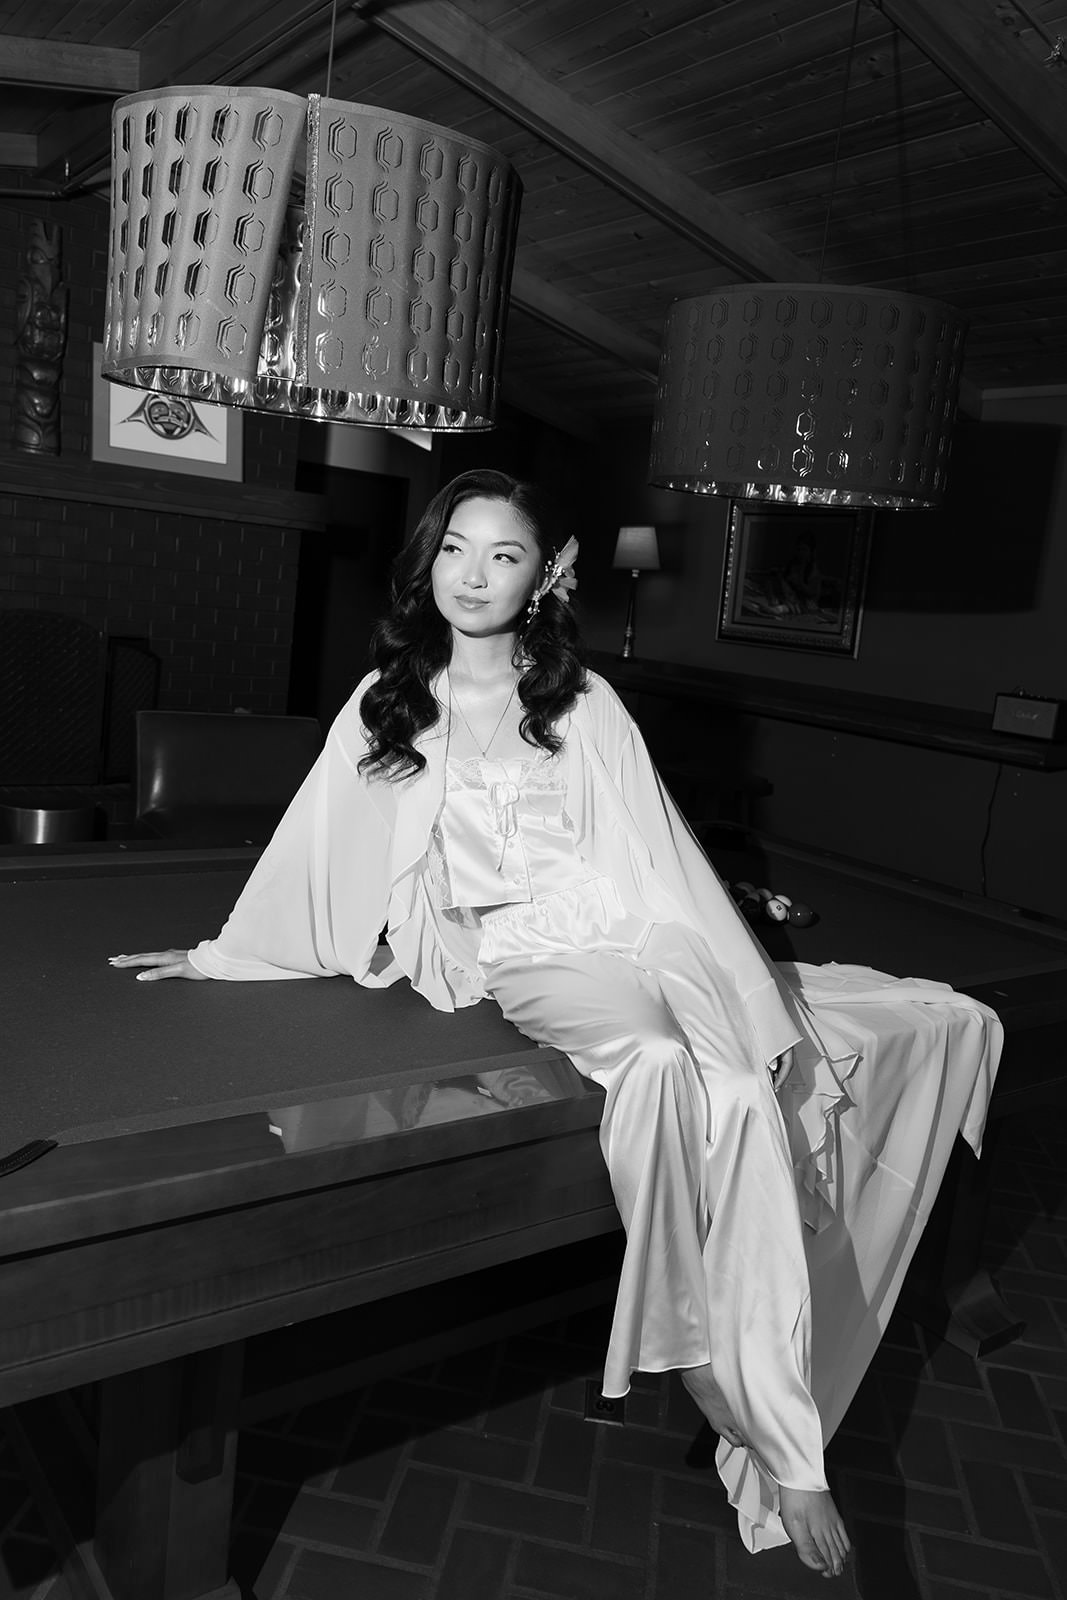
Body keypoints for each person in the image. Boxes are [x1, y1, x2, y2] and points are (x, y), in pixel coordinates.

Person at [110, 468, 1002, 1579]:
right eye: (454, 549)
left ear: (540, 577)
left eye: (503, 555)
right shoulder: (387, 698)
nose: (472, 574)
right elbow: (310, 842)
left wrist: (733, 966)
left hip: (634, 926)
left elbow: (654, 845)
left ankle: (762, 1412)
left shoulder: (579, 698)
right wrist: (215, 954)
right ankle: (721, 1380)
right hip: (526, 951)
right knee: (664, 1062)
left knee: (738, 1087)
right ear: (426, 560)